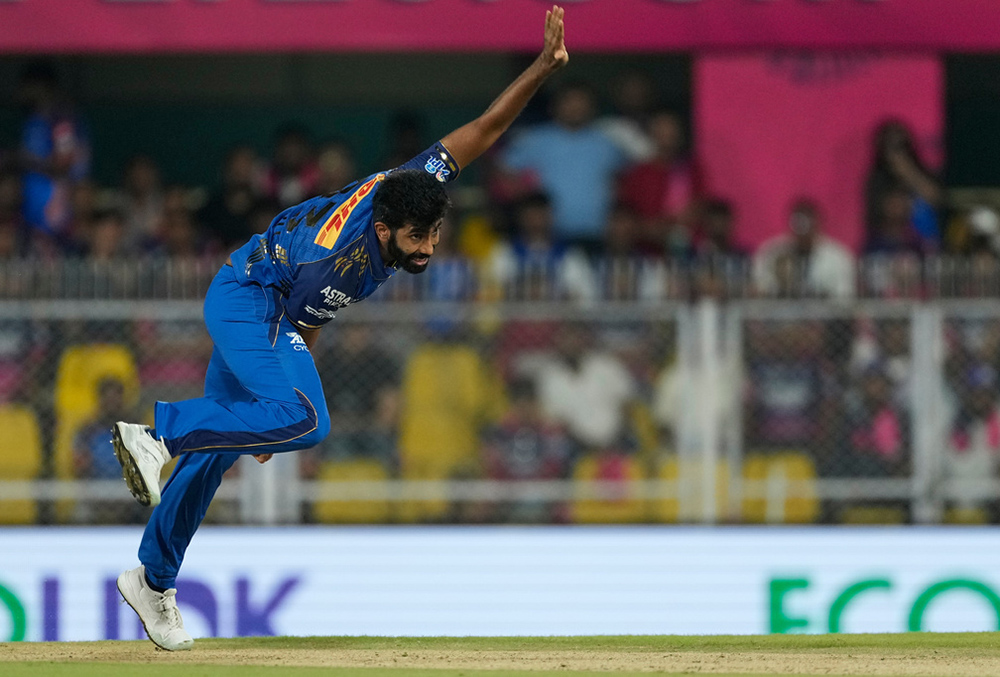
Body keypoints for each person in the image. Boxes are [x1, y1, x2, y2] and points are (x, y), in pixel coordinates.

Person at [110, 6, 569, 652]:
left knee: (224, 452)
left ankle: (152, 580)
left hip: (270, 304)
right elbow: (299, 313)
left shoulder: (412, 186)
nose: (429, 250)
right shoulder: (339, 260)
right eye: (418, 239)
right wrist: (282, 408)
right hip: (247, 299)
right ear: (384, 231)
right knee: (310, 420)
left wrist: (542, 66)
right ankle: (156, 432)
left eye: (435, 234)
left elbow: (485, 128)